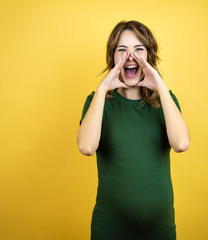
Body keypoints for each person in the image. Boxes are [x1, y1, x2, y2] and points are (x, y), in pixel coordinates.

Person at [77, 20, 191, 240]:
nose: (131, 56)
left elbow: (181, 144)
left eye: (139, 49)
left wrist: (161, 87)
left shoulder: (165, 101)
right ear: (112, 57)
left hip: (159, 229)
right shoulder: (98, 101)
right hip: (109, 229)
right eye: (122, 50)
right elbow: (86, 147)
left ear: (149, 56)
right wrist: (102, 89)